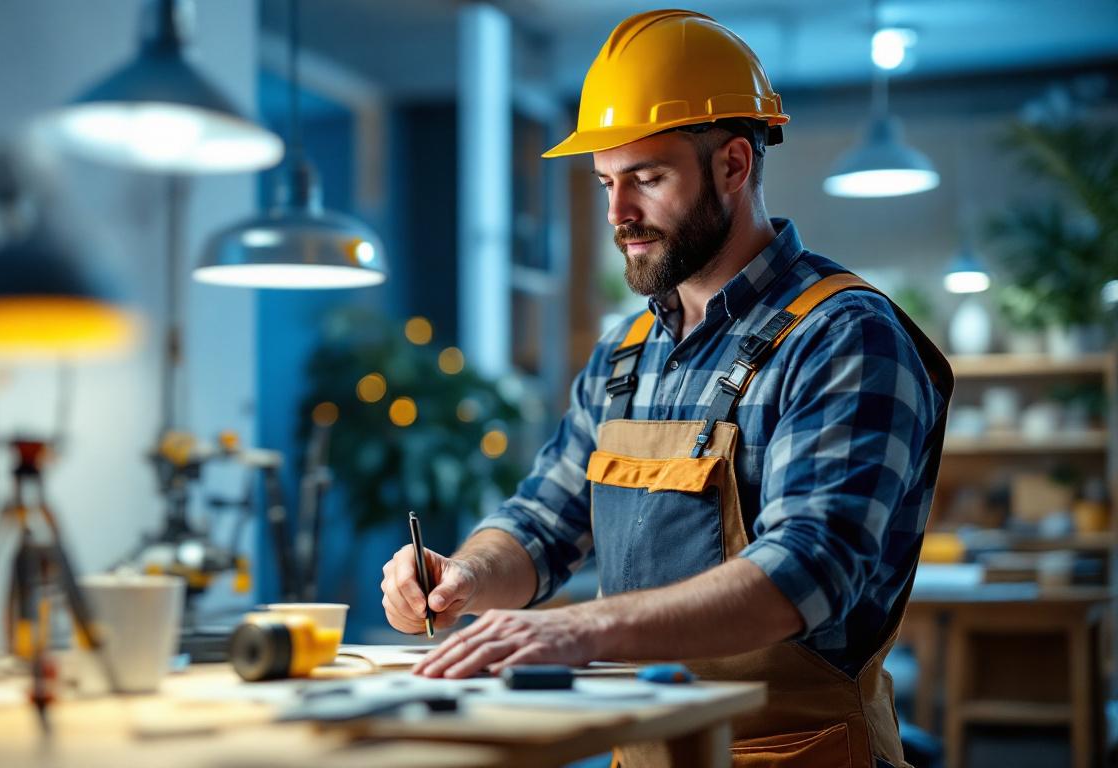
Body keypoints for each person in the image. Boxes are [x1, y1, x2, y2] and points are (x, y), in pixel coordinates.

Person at [379, 9, 952, 767]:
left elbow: (808, 570)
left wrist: (581, 628)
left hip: (800, 753)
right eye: (606, 183)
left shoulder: (843, 335)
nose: (619, 215)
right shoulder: (627, 352)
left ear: (734, 166)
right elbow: (543, 522)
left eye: (646, 178)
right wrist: (466, 575)